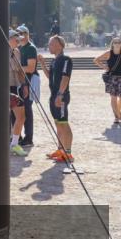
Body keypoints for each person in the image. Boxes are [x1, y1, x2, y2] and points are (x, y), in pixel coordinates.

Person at [45, 35, 74, 164]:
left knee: (63, 123)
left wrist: (60, 94)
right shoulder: (54, 61)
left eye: (51, 44)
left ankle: (68, 153)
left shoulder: (66, 60)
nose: (49, 46)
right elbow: (50, 76)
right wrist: (41, 63)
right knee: (58, 123)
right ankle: (60, 149)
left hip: (60, 97)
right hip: (53, 96)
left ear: (59, 45)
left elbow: (65, 78)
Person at [94, 36, 121, 123]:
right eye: (115, 42)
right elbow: (96, 60)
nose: (117, 44)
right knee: (113, 97)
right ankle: (116, 116)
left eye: (118, 42)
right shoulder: (109, 53)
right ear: (112, 44)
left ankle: (118, 111)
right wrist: (104, 67)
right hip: (111, 77)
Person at [7, 30, 28, 157]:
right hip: (1, 88)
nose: (19, 41)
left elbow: (20, 70)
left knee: (21, 116)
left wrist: (24, 84)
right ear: (9, 39)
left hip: (14, 88)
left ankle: (14, 144)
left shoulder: (17, 52)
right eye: (16, 39)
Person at [17, 25, 38, 148]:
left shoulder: (30, 48)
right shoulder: (19, 48)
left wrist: (17, 70)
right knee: (19, 109)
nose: (19, 36)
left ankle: (28, 137)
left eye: (21, 33)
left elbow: (31, 68)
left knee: (27, 109)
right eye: (18, 33)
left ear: (27, 34)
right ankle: (18, 135)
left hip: (30, 80)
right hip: (21, 80)